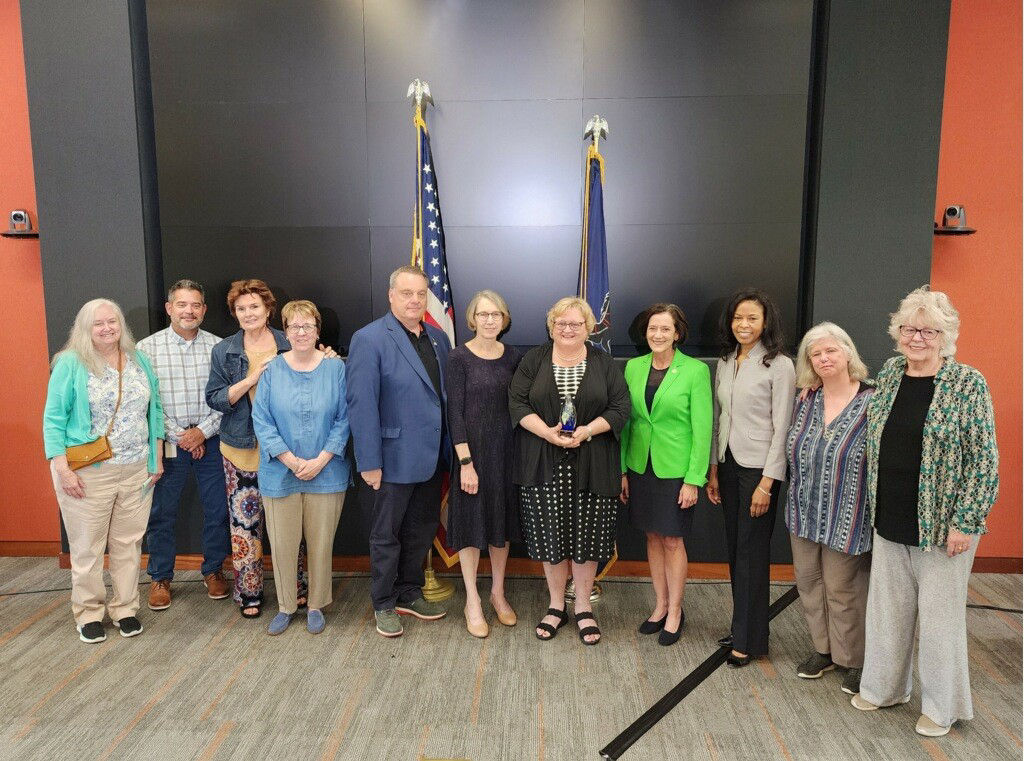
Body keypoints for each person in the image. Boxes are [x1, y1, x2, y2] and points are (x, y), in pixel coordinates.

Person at [851, 286, 998, 738]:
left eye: (929, 330)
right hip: (891, 516)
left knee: (939, 621)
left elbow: (983, 458)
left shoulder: (967, 383)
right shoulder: (892, 373)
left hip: (942, 527)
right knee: (887, 612)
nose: (918, 338)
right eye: (910, 329)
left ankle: (941, 707)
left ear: (945, 336)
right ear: (897, 333)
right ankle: (883, 688)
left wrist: (966, 522)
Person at [509, 297, 630, 646]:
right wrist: (547, 433)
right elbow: (516, 402)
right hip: (543, 463)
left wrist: (588, 430)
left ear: (588, 328)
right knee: (551, 538)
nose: (567, 329)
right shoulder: (533, 360)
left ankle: (582, 607)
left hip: (593, 463)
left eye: (576, 324)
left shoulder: (603, 362)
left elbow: (621, 408)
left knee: (587, 539)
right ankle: (555, 605)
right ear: (552, 326)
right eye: (561, 323)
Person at [43, 299, 164, 642]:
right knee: (87, 547)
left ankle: (125, 608)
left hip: (137, 468)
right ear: (85, 328)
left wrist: (155, 457)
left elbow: (154, 409)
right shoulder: (70, 363)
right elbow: (53, 420)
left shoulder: (139, 359)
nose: (108, 328)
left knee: (128, 543)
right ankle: (88, 612)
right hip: (87, 471)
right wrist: (62, 468)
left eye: (113, 321)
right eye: (99, 324)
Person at [347, 265, 452, 638]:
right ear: (391, 295)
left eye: (421, 294)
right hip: (389, 461)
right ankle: (383, 602)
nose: (415, 300)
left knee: (421, 530)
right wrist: (369, 462)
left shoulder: (438, 339)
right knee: (386, 535)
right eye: (406, 293)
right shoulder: (370, 338)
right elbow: (361, 405)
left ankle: (409, 591)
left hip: (431, 458)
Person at [205, 279, 306, 618]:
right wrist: (249, 380)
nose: (248, 313)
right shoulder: (225, 351)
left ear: (268, 310)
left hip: (286, 452)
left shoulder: (289, 341)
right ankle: (249, 594)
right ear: (234, 313)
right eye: (241, 308)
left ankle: (297, 590)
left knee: (291, 526)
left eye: (254, 307)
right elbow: (216, 398)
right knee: (245, 528)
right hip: (240, 451)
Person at [706, 288, 795, 667]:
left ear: (765, 322)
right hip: (727, 464)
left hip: (759, 470)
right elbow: (718, 418)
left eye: (752, 319)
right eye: (738, 318)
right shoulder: (726, 361)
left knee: (753, 555)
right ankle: (742, 626)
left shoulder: (780, 365)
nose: (743, 325)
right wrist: (712, 469)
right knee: (736, 551)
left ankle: (751, 639)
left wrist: (768, 482)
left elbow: (783, 428)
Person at [785, 322, 874, 695]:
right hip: (803, 509)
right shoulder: (806, 399)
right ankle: (823, 650)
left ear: (848, 352)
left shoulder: (874, 401)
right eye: (816, 354)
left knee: (842, 588)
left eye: (830, 351)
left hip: (848, 513)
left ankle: (853, 660)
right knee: (808, 582)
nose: (823, 359)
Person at [252, 300, 350, 636]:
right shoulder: (271, 370)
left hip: (328, 472)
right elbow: (261, 420)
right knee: (282, 545)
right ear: (285, 331)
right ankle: (285, 605)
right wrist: (289, 459)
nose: (301, 332)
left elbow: (344, 419)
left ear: (318, 329)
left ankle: (316, 604)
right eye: (294, 326)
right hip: (281, 474)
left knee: (321, 543)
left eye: (308, 325)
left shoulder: (337, 370)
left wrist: (323, 458)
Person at [619, 303, 712, 646]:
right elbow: (626, 422)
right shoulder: (633, 367)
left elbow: (703, 430)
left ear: (677, 333)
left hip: (676, 470)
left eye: (665, 329)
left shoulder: (695, 371)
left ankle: (676, 611)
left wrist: (694, 479)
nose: (657, 335)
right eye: (652, 329)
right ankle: (659, 606)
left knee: (673, 540)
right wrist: (622, 471)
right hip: (640, 466)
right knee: (653, 537)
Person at [137, 279, 231, 610]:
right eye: (181, 304)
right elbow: (146, 403)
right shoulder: (145, 349)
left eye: (195, 305)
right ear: (169, 308)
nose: (188, 311)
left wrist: (202, 432)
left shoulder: (220, 348)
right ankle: (160, 576)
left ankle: (214, 570)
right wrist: (182, 435)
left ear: (204, 310)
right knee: (162, 512)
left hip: (213, 439)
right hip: (169, 444)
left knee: (218, 510)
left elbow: (227, 399)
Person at [445, 290, 522, 638]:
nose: (489, 320)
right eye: (483, 314)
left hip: (506, 454)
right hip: (471, 457)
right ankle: (472, 599)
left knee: (499, 527)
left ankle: (497, 592)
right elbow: (455, 414)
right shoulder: (458, 358)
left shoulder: (515, 358)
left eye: (496, 315)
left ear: (504, 320)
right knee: (471, 529)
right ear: (472, 319)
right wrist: (465, 463)